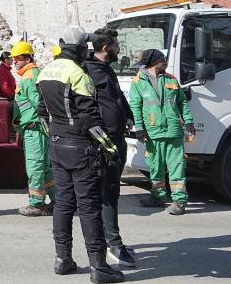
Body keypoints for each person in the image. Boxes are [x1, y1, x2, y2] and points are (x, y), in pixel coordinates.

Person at [36, 26, 123, 283]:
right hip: (81, 149)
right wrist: (111, 149)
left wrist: (55, 136)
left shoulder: (46, 71)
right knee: (89, 207)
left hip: (57, 146)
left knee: (63, 203)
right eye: (85, 45)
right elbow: (91, 120)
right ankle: (99, 267)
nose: (88, 48)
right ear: (79, 48)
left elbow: (42, 115)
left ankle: (62, 259)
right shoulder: (78, 74)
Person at [85, 29, 135, 268]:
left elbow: (117, 98)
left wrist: (128, 115)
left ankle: (110, 240)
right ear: (105, 47)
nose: (118, 49)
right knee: (107, 192)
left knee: (112, 191)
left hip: (118, 138)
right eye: (115, 45)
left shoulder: (107, 70)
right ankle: (112, 244)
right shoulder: (88, 71)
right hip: (103, 142)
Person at [128, 49, 194, 216]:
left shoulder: (171, 80)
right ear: (154, 63)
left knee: (177, 166)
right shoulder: (138, 82)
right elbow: (135, 106)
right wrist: (139, 128)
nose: (165, 62)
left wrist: (189, 121)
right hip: (153, 131)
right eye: (162, 59)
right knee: (155, 166)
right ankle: (158, 197)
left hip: (174, 131)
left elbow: (182, 103)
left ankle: (179, 201)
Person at [11, 40, 55, 217]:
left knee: (35, 165)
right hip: (37, 128)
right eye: (14, 59)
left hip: (34, 128)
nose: (15, 62)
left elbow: (38, 103)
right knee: (45, 167)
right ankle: (58, 199)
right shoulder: (32, 74)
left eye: (18, 58)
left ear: (27, 58)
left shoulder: (29, 77)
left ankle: (37, 204)